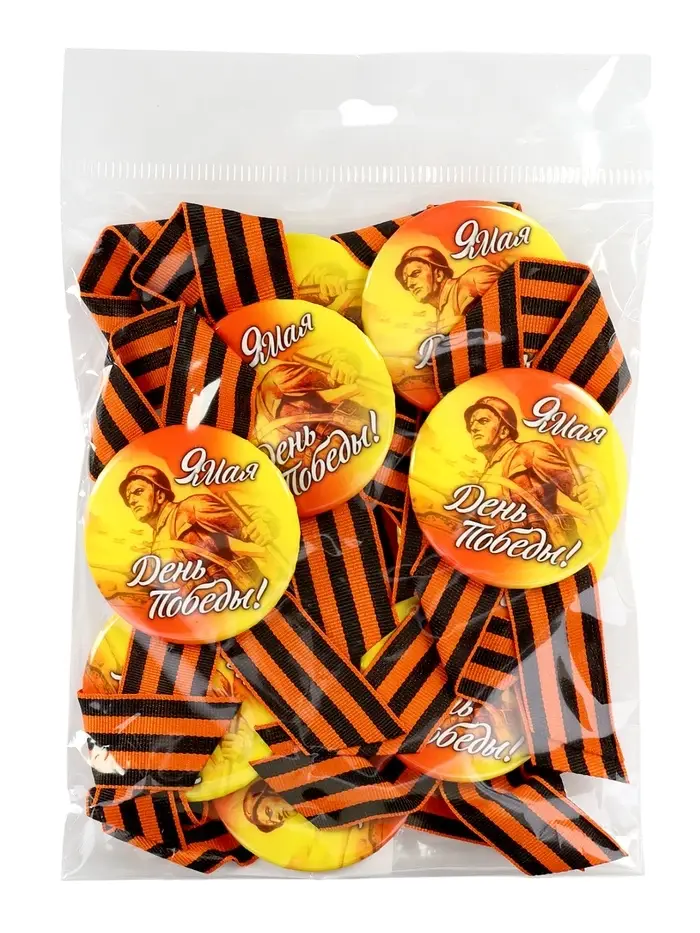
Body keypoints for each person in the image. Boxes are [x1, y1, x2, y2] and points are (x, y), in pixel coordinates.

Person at [463, 396, 600, 547]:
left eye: (483, 421)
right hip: (506, 553)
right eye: (471, 424)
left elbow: (580, 480)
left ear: (504, 430)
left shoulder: (530, 451)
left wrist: (593, 488)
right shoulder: (483, 479)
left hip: (544, 547)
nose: (473, 428)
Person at [120, 465, 270, 591]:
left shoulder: (190, 508)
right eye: (128, 497)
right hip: (205, 610)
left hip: (236, 596)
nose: (131, 501)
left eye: (138, 492)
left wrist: (262, 524)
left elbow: (251, 519)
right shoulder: (157, 541)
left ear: (159, 495)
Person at [395, 246, 502, 333]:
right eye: (405, 281)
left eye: (415, 273)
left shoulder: (474, 279)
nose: (409, 284)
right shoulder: (439, 318)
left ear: (438, 274)